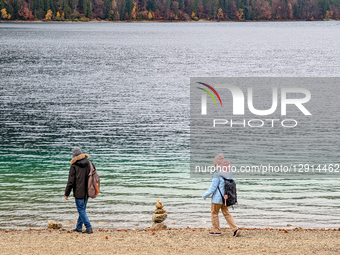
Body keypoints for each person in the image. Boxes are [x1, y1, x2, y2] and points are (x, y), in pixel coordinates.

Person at [202, 153, 240, 237]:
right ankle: (235, 229)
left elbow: (213, 188)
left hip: (217, 199)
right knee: (226, 213)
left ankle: (217, 231)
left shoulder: (216, 174)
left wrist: (204, 195)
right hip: (226, 197)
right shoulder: (228, 172)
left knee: (214, 213)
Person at [65, 147, 93, 234]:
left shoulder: (74, 166)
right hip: (88, 191)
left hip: (79, 191)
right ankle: (79, 227)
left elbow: (71, 181)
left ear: (74, 156)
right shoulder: (89, 163)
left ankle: (89, 227)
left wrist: (67, 193)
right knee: (82, 210)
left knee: (81, 210)